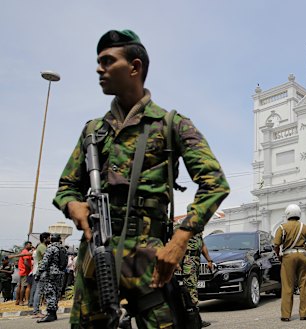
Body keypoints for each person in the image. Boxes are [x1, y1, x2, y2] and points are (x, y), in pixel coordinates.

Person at [52, 29, 230, 328]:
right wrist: (73, 206)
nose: (99, 68)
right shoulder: (93, 131)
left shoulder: (171, 124)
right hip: (97, 255)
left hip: (151, 258)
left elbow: (215, 183)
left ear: (135, 67)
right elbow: (66, 187)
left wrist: (180, 240)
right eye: (99, 61)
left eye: (108, 61)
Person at [273, 204, 306, 322]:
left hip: (288, 256)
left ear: (287, 214)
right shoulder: (304, 227)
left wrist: (279, 255)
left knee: (287, 286)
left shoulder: (282, 227)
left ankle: (286, 315)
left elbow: (276, 245)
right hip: (302, 255)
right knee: (303, 285)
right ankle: (304, 314)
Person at [180, 231, 213, 327]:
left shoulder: (198, 230)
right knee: (191, 290)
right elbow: (178, 245)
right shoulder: (184, 228)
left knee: (193, 289)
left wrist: (209, 260)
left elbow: (202, 245)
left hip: (196, 260)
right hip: (188, 260)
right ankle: (194, 320)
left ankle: (193, 319)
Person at [35, 234, 65, 323]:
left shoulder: (51, 248)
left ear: (51, 240)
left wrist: (38, 273)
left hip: (51, 273)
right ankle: (54, 313)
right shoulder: (63, 249)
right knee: (56, 293)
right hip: (60, 273)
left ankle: (50, 314)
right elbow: (65, 261)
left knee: (50, 292)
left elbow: (45, 262)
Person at [31, 232, 50, 316]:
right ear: (45, 239)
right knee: (39, 291)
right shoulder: (42, 247)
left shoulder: (43, 246)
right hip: (42, 271)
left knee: (40, 291)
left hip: (42, 271)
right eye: (49, 238)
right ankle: (36, 311)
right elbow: (46, 258)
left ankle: (37, 310)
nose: (50, 239)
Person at [15, 241, 32, 306]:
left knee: (19, 286)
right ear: (26, 245)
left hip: (21, 271)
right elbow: (25, 262)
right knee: (24, 287)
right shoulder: (26, 252)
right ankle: (21, 301)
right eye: (30, 245)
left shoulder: (23, 252)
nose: (31, 246)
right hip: (25, 271)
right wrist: (29, 269)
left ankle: (17, 300)